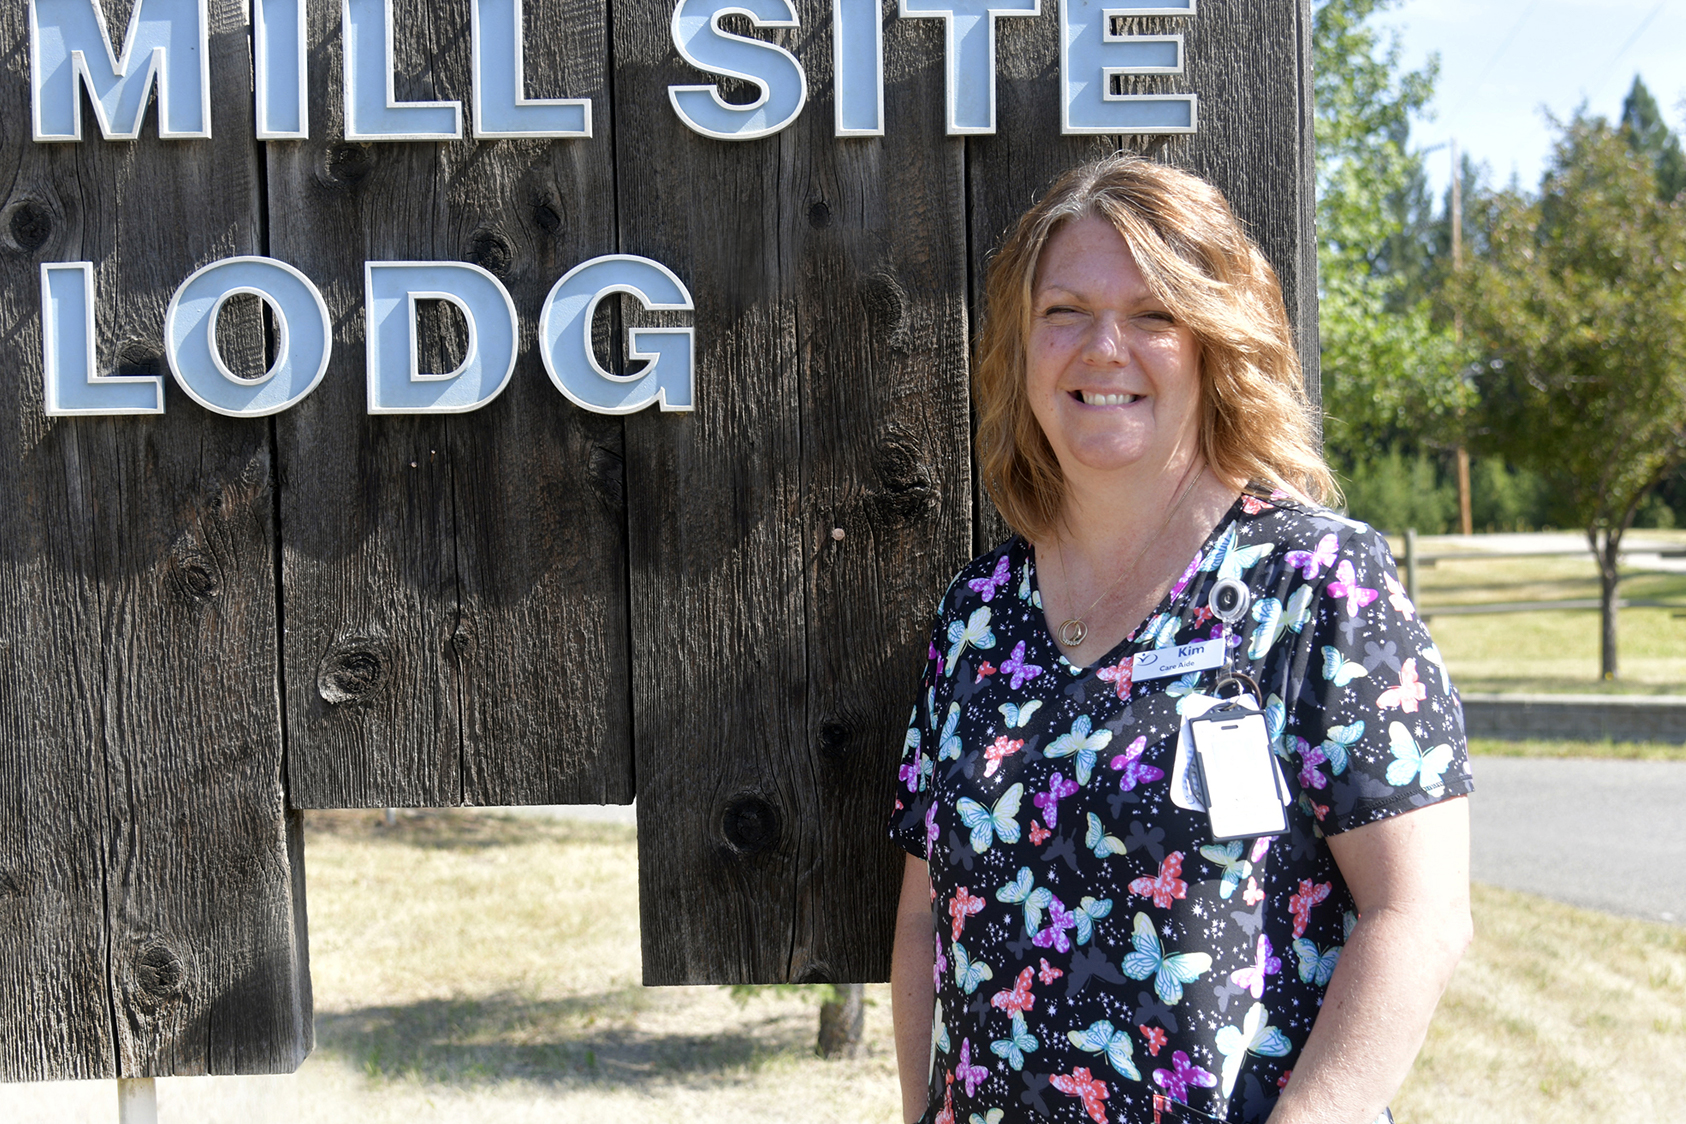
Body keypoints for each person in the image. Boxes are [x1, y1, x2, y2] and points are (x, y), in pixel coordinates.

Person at [887, 155, 1473, 1124]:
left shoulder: (1317, 585)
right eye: (1064, 310)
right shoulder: (979, 614)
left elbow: (1418, 914)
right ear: (1021, 348)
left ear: (1215, 342)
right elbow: (922, 921)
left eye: (1154, 314)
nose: (1104, 347)